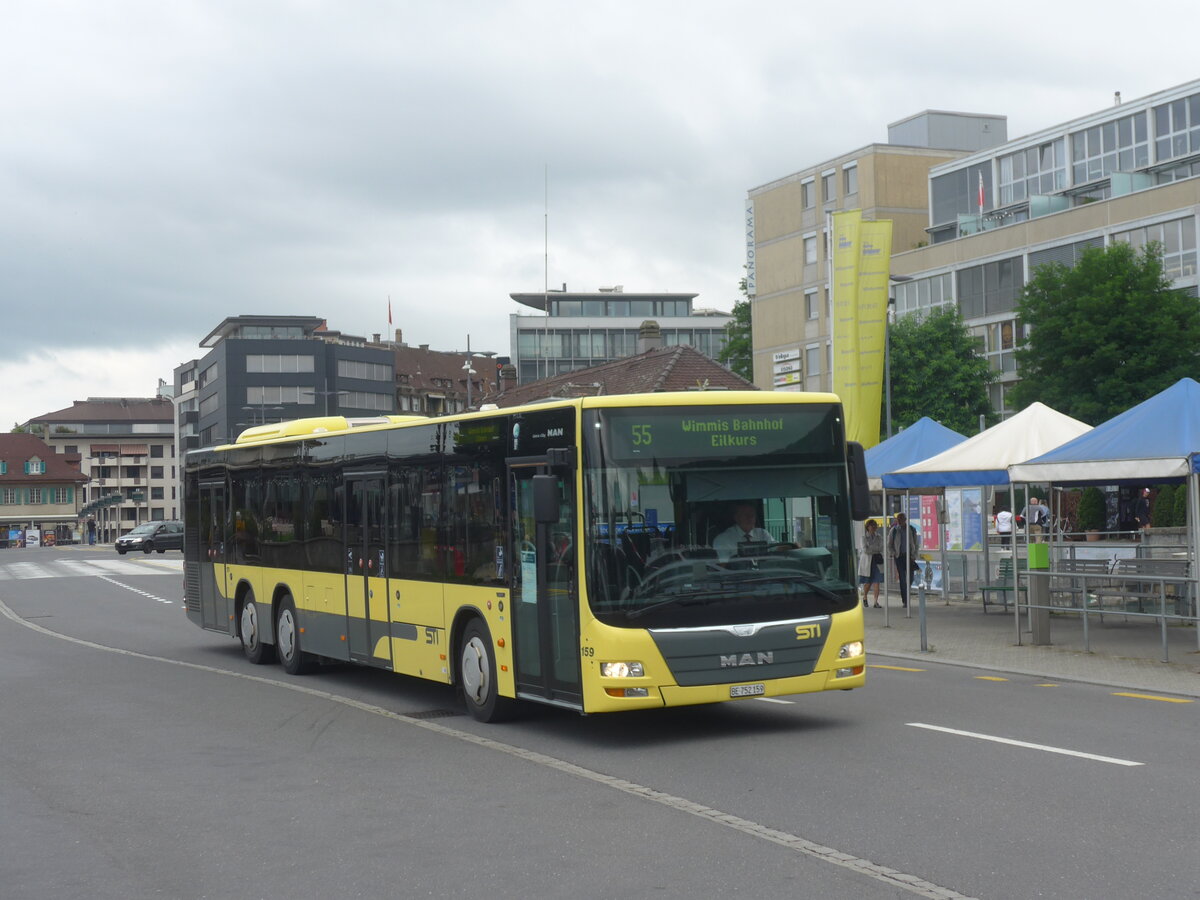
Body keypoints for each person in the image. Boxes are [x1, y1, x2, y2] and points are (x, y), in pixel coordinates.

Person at [887, 512, 920, 608]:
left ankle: (906, 592)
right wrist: (893, 554)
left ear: (905, 519)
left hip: (909, 556)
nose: (900, 521)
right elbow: (889, 545)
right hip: (899, 556)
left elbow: (916, 544)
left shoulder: (911, 529)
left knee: (910, 577)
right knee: (902, 578)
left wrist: (914, 555)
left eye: (902, 519)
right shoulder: (894, 530)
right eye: (898, 519)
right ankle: (905, 600)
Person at [858, 519, 884, 607]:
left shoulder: (879, 537)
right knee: (868, 582)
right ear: (867, 527)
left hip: (876, 562)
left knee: (877, 582)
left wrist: (871, 548)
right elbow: (865, 550)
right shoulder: (863, 537)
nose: (873, 527)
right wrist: (874, 549)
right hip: (867, 562)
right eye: (871, 526)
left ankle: (875, 602)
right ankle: (865, 597)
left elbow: (881, 548)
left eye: (875, 525)